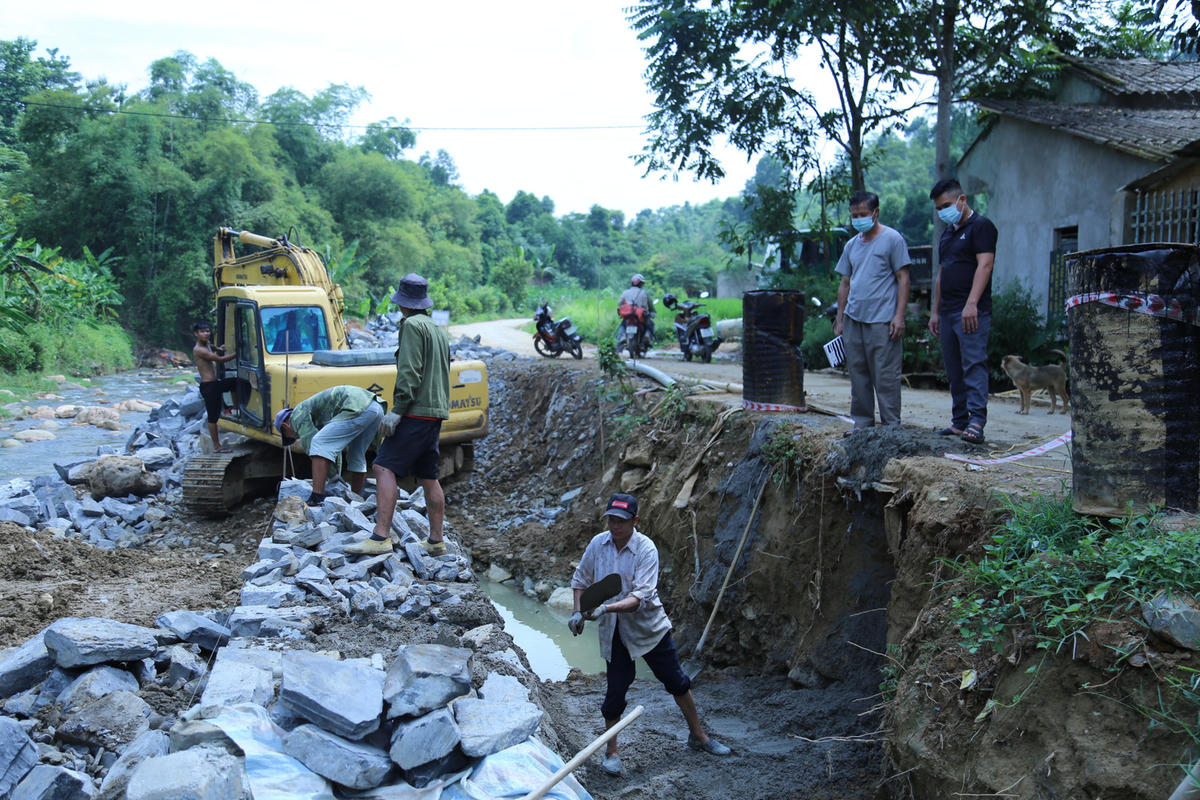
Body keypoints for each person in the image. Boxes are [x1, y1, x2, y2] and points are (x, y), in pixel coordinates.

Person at [569, 493, 731, 776]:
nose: (614, 526)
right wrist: (577, 611)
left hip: (649, 627)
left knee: (677, 681)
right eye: (611, 519)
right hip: (615, 632)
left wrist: (606, 608)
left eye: (621, 521)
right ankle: (612, 751)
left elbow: (640, 598)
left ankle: (698, 736)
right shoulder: (598, 544)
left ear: (635, 520)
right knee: (615, 691)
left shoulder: (646, 549)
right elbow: (580, 580)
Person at [347, 273, 450, 557]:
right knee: (428, 475)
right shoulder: (436, 328)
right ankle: (436, 540)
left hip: (416, 410)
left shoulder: (412, 326)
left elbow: (410, 371)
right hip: (435, 410)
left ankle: (380, 536)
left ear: (403, 303)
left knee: (383, 466)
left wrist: (397, 410)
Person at [834, 191, 912, 430]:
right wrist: (840, 319)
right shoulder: (851, 245)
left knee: (885, 376)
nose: (858, 219)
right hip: (854, 319)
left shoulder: (892, 239)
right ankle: (862, 425)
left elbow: (903, 278)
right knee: (858, 376)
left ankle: (891, 427)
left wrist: (899, 316)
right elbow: (845, 283)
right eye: (854, 215)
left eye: (863, 214)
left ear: (876, 213)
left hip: (882, 319)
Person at [928, 178, 997, 445]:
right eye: (939, 208)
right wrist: (935, 311)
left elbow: (985, 265)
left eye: (946, 205)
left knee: (973, 364)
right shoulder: (947, 234)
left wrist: (972, 303)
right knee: (954, 368)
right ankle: (959, 422)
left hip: (971, 312)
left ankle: (976, 421)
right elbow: (941, 273)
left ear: (962, 200)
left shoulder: (982, 227)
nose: (943, 211)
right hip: (947, 312)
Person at [274, 385, 384, 506]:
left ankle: (317, 497)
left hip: (357, 407)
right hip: (375, 407)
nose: (295, 438)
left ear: (285, 426)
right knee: (356, 454)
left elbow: (310, 444)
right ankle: (355, 500)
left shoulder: (297, 415)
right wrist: (335, 476)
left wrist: (334, 477)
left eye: (289, 436)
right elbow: (334, 450)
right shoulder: (316, 416)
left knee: (318, 442)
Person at [191, 320, 237, 453]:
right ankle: (217, 446)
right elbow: (219, 360)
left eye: (207, 331)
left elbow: (213, 348)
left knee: (235, 382)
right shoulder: (199, 349)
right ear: (196, 334)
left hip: (214, 384)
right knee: (213, 417)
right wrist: (237, 354)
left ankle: (234, 408)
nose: (206, 334)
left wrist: (220, 348)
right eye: (202, 332)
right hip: (208, 386)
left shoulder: (206, 344)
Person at [617, 273, 655, 346]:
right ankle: (647, 336)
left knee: (622, 324)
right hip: (640, 315)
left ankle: (622, 336)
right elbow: (646, 306)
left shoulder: (626, 292)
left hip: (628, 315)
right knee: (650, 324)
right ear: (641, 284)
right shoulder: (644, 293)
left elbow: (619, 303)